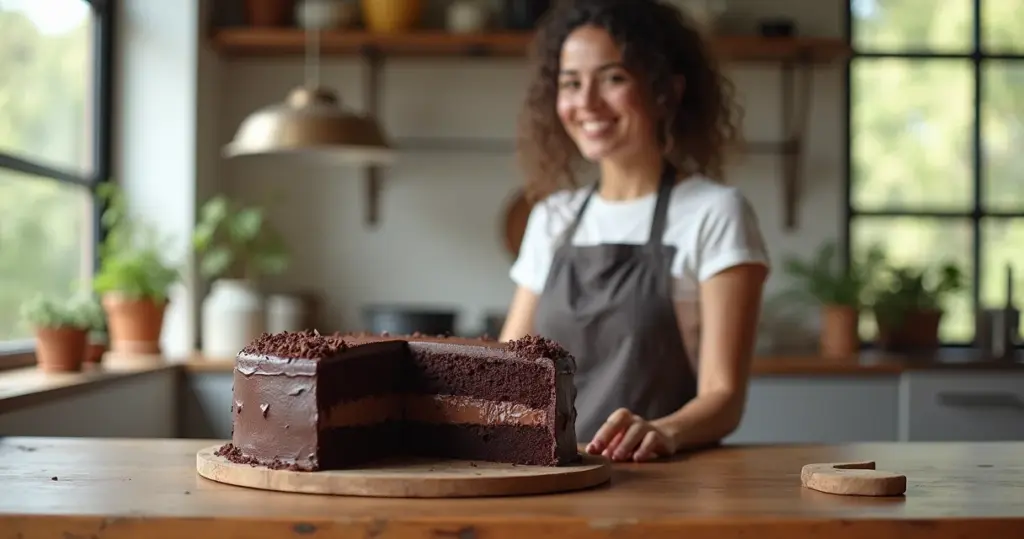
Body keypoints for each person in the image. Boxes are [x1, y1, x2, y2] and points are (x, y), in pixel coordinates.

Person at [498, 0, 770, 463]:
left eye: (613, 78)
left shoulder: (715, 213)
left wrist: (663, 431)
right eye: (571, 83)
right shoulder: (553, 217)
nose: (586, 102)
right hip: (548, 480)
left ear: (667, 91)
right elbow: (509, 371)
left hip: (659, 481)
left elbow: (723, 398)